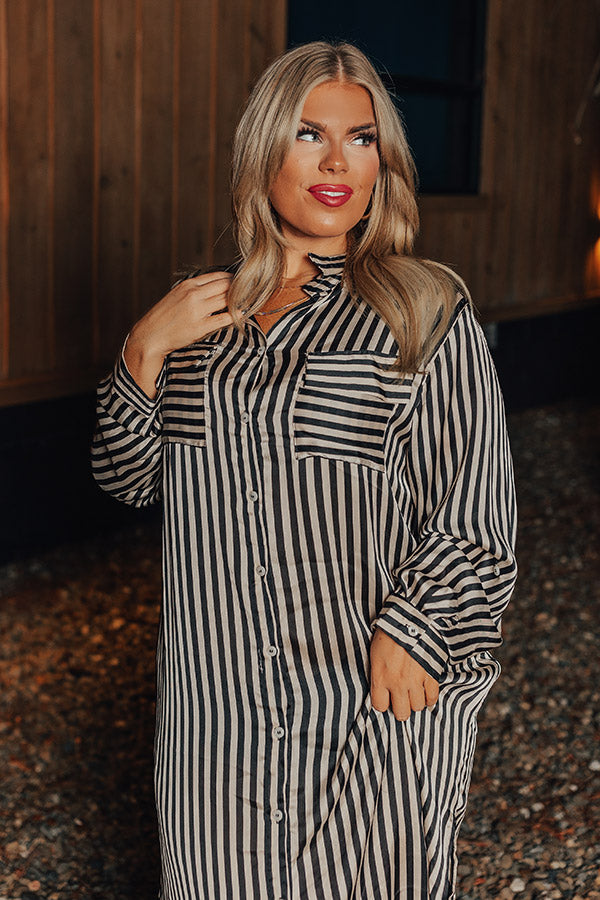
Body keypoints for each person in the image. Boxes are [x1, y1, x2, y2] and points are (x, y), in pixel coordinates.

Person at [92, 40, 517, 900]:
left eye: (361, 139)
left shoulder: (422, 308)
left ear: (382, 163)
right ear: (262, 151)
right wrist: (143, 350)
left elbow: (474, 512)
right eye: (308, 134)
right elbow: (127, 477)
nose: (336, 163)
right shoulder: (197, 316)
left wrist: (419, 631)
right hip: (216, 722)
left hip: (362, 700)